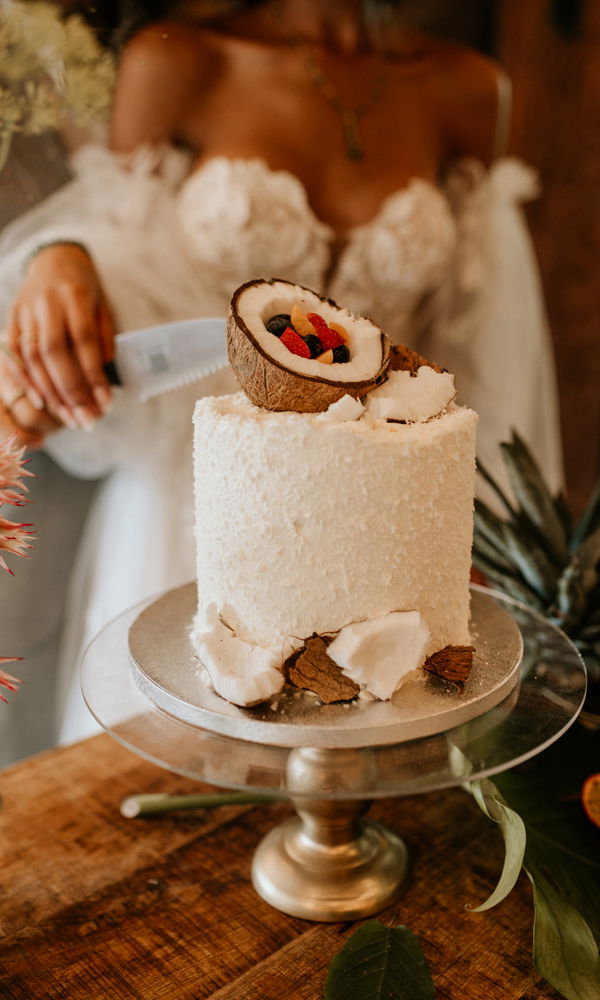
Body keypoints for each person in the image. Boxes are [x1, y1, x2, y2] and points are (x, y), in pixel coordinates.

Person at [0, 0, 563, 747]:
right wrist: (63, 262)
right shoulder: (176, 63)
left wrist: (468, 537)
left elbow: (484, 346)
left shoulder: (467, 88)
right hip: (200, 520)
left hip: (390, 542)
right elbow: (125, 257)